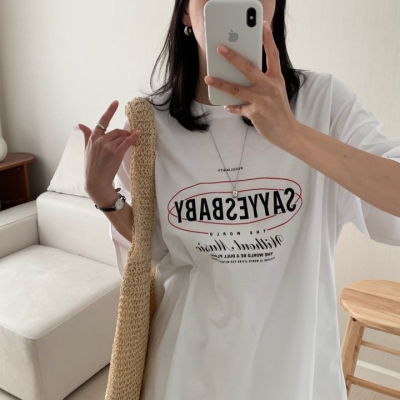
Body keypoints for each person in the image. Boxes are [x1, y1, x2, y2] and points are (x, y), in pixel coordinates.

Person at [79, 0, 400, 399]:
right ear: (185, 13)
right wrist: (105, 197)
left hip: (293, 375)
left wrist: (292, 134)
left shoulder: (324, 104)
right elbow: (157, 251)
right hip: (185, 371)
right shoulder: (148, 124)